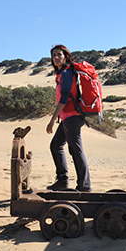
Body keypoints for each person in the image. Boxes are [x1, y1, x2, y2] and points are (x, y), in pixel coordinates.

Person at [45, 44, 91, 192]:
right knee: (56, 146)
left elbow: (63, 99)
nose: (56, 57)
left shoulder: (66, 73)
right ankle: (62, 181)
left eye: (59, 54)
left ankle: (84, 186)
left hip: (72, 117)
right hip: (67, 117)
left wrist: (52, 120)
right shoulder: (61, 74)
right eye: (54, 55)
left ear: (66, 56)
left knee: (76, 150)